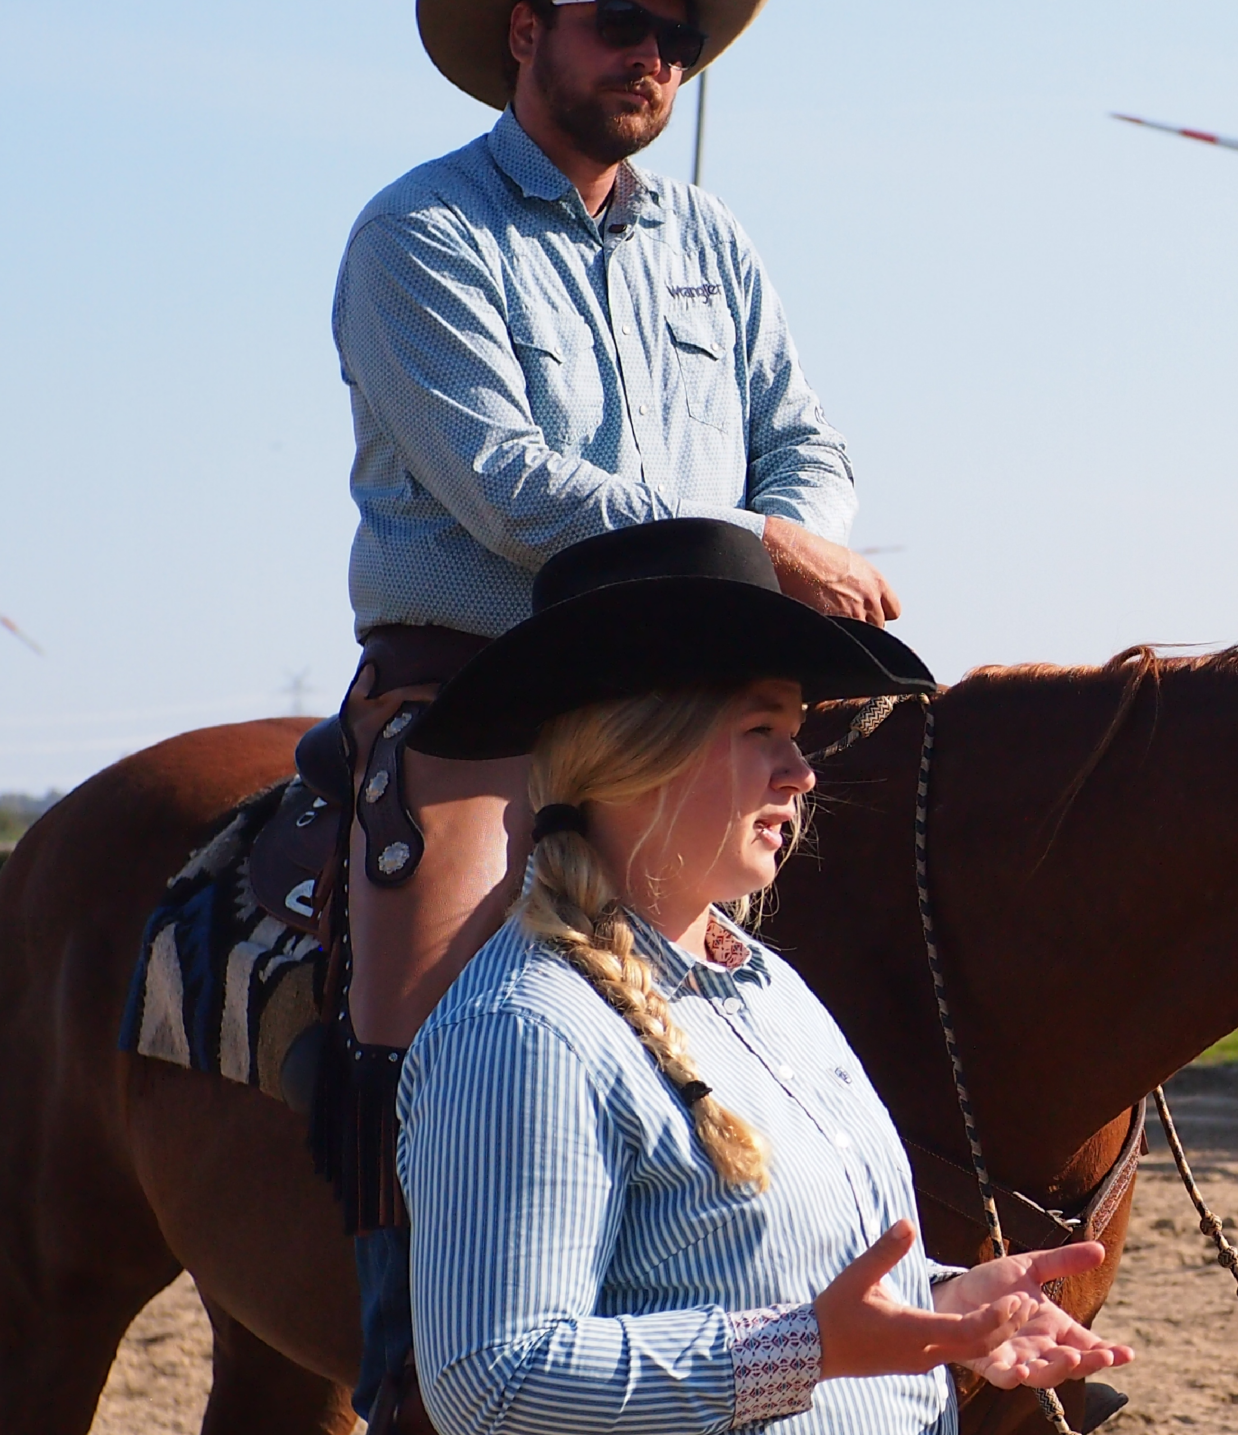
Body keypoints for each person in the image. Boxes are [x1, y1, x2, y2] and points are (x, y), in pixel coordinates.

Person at [323, 0, 904, 1424]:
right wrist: (761, 551)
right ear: (529, 32)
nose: (659, 55)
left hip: (697, 680)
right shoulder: (417, 233)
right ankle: (413, 1354)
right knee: (442, 1000)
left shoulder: (714, 243)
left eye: (684, 39)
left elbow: (810, 438)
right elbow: (510, 488)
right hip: (484, 686)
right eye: (624, 21)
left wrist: (786, 536)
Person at [393, 518, 1130, 1433]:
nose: (802, 775)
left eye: (797, 734)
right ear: (634, 755)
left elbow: (774, 1276)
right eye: (762, 732)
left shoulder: (773, 989)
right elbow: (491, 1382)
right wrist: (812, 1348)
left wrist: (941, 1310)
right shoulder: (525, 1029)